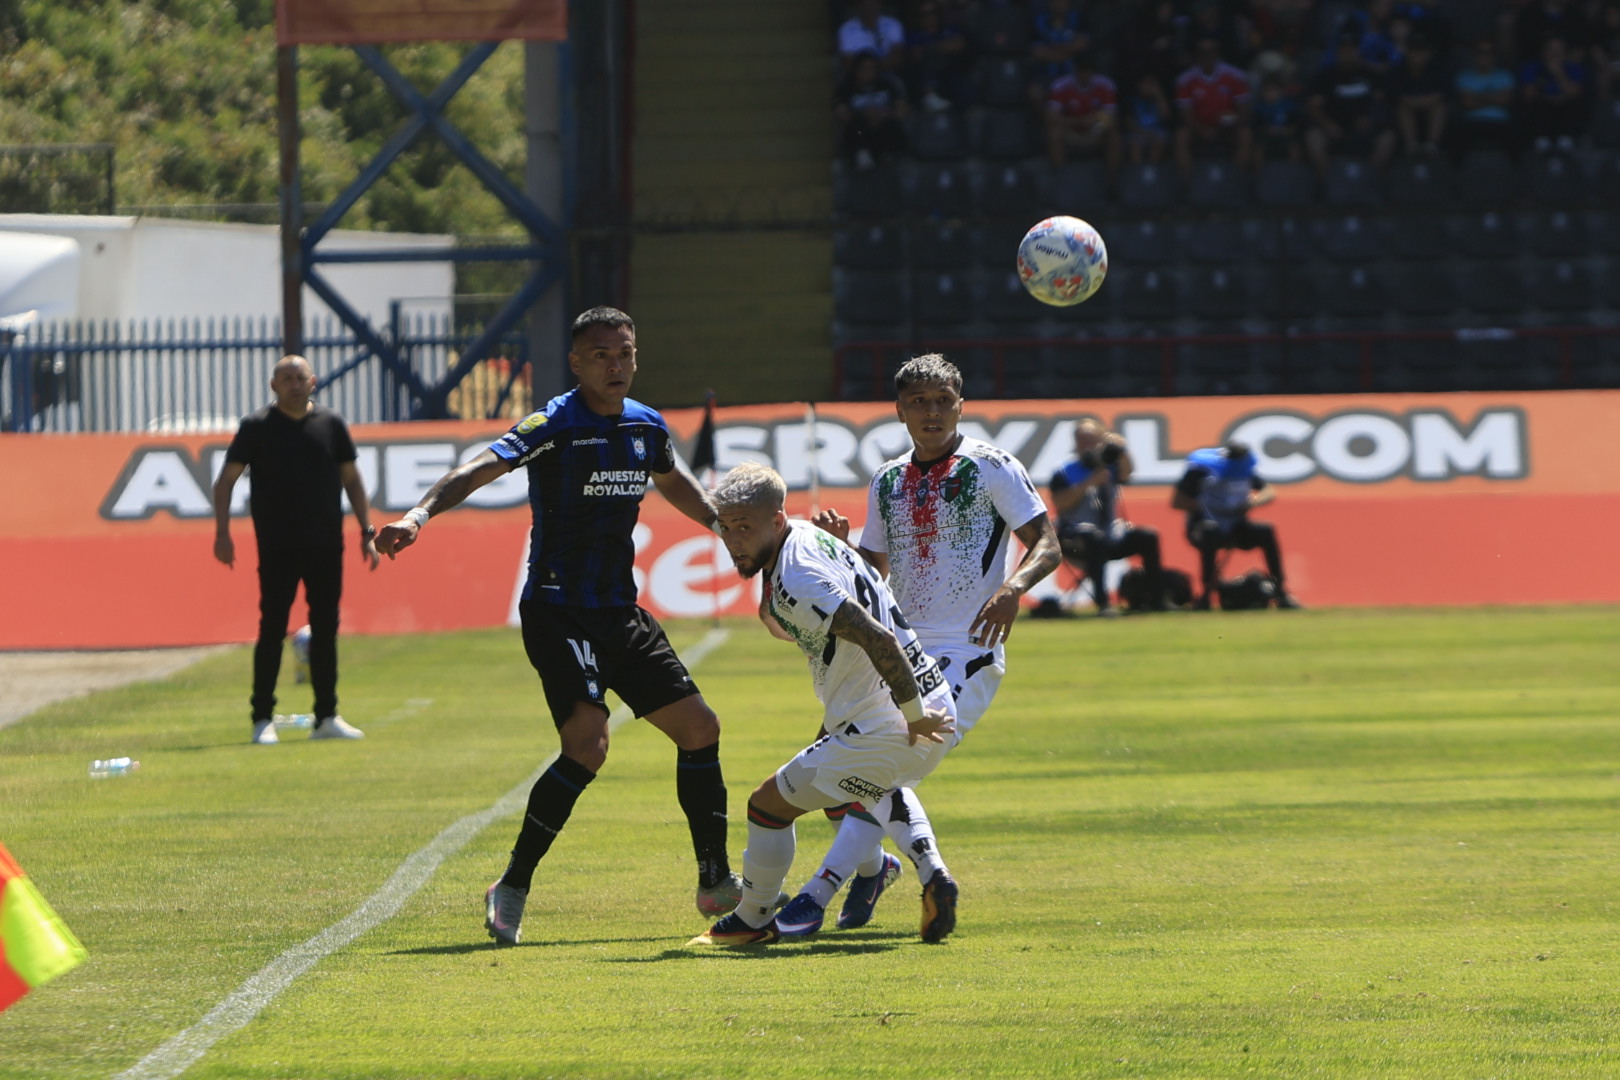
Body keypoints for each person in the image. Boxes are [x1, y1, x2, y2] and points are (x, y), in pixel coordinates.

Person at [374, 307, 741, 946]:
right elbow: (480, 467)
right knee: (588, 744)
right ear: (577, 363)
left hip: (619, 611)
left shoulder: (645, 425)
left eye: (624, 352)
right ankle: (513, 884)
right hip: (556, 607)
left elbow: (673, 480)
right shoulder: (555, 423)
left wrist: (723, 527)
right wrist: (419, 515)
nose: (615, 364)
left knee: (700, 728)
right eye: (600, 355)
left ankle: (715, 878)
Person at [776, 354, 1061, 941]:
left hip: (968, 649)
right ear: (900, 410)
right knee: (846, 772)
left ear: (961, 404)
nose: (932, 412)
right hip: (896, 651)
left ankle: (815, 895)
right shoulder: (887, 479)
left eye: (943, 400)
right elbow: (875, 572)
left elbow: (1047, 545)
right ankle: (876, 871)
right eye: (919, 402)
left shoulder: (991, 466)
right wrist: (841, 550)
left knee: (883, 759)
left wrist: (1012, 590)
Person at [694, 463, 956, 946]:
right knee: (860, 793)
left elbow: (876, 637)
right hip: (920, 702)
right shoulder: (813, 540)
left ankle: (751, 919)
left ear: (775, 521)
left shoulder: (797, 579)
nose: (732, 541)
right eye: (726, 528)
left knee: (767, 805)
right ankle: (925, 873)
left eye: (744, 528)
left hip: (891, 718)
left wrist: (914, 718)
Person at [212, 354, 378, 746]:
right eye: (285, 378)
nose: (293, 384)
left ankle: (326, 717)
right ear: (273, 386)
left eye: (299, 377)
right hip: (277, 544)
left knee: (326, 629)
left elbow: (352, 480)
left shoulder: (331, 425)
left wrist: (366, 531)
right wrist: (222, 533)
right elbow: (225, 482)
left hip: (325, 543)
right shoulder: (256, 427)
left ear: (313, 381)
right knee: (271, 628)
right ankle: (262, 718)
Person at [1050, 419, 1165, 617]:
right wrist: (1088, 483)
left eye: (1093, 440)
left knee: (1148, 536)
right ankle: (1103, 603)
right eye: (1083, 440)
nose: (1088, 446)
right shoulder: (1065, 472)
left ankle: (1155, 597)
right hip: (1077, 536)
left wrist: (1121, 449)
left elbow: (1128, 473)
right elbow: (1060, 503)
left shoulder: (1111, 468)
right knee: (1093, 538)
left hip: (1111, 532)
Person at [1171, 440, 1301, 610]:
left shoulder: (1244, 471)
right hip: (1204, 528)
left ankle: (1281, 592)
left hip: (1236, 527)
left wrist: (1254, 501)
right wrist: (1209, 506)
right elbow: (1177, 502)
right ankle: (1207, 595)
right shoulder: (1199, 472)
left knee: (1266, 530)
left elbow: (1268, 491)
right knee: (1210, 531)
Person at [1304, 33, 1398, 176]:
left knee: (1388, 136)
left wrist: (1370, 118)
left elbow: (1380, 102)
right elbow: (1313, 106)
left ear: (1358, 51)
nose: (1348, 53)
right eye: (1344, 49)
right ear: (1337, 52)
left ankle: (1370, 179)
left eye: (1351, 50)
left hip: (1365, 125)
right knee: (1313, 137)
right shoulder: (1325, 76)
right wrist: (1328, 124)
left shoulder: (1370, 74)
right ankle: (1328, 181)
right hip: (1334, 127)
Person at [1174, 37, 1255, 177]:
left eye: (1212, 51)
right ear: (1197, 54)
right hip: (1198, 127)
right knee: (1181, 135)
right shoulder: (1185, 79)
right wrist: (1201, 129)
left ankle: (1235, 179)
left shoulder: (1235, 75)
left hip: (1228, 126)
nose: (1207, 55)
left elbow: (1243, 110)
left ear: (1218, 53)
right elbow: (1185, 114)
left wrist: (1228, 123)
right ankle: (1187, 183)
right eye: (1203, 51)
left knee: (1245, 134)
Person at [1045, 51, 1121, 172]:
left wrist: (1095, 119)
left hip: (1095, 129)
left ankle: (1111, 183)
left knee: (1113, 134)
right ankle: (1060, 177)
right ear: (1075, 70)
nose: (1085, 73)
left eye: (1088, 69)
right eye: (1082, 69)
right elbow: (1052, 117)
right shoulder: (1060, 86)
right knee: (1054, 133)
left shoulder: (1106, 85)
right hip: (1071, 130)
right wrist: (1076, 121)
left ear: (1093, 70)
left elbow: (1112, 115)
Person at [1390, 33, 1449, 156]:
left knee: (1439, 107)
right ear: (1407, 52)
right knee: (1403, 108)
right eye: (1414, 50)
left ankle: (1432, 145)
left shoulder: (1437, 69)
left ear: (1428, 53)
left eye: (1421, 51)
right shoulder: (1398, 70)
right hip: (1407, 107)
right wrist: (1415, 102)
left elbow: (1441, 94)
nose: (1417, 55)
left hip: (1430, 106)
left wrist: (1422, 101)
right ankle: (1411, 145)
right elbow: (1397, 95)